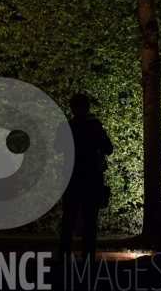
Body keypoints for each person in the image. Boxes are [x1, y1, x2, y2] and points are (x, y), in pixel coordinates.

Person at [56, 93, 113, 264]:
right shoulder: (68, 127)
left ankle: (84, 256)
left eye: (86, 106)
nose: (85, 110)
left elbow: (108, 148)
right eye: (82, 106)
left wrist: (99, 135)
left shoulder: (92, 126)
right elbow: (58, 147)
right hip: (77, 179)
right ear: (74, 109)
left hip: (85, 179)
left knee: (87, 221)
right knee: (71, 220)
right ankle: (69, 257)